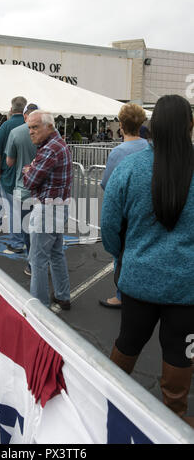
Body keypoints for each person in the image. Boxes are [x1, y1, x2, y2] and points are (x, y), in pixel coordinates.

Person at [101, 95, 194, 425]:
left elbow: (110, 225)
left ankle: (111, 406)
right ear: (190, 126)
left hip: (138, 281)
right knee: (180, 355)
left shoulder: (128, 168)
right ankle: (174, 420)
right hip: (188, 289)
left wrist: (122, 257)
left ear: (149, 127)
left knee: (127, 342)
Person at [99, 103, 148, 309]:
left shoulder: (119, 152)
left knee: (121, 254)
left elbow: (107, 185)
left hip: (125, 212)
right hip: (146, 209)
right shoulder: (149, 147)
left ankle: (121, 294)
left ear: (121, 125)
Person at [23, 110, 73, 311]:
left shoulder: (49, 149)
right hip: (59, 207)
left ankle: (39, 309)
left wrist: (29, 170)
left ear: (49, 127)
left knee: (38, 261)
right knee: (56, 254)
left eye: (35, 127)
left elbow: (30, 181)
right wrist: (32, 169)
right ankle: (62, 296)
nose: (31, 132)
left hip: (47, 210)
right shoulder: (58, 144)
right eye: (30, 128)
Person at [5, 103, 39, 273]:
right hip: (42, 189)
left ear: (25, 115)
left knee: (27, 228)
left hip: (23, 187)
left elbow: (9, 162)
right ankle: (39, 261)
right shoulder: (46, 131)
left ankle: (32, 263)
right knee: (42, 228)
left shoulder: (16, 132)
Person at [0, 96, 27, 246]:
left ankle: (17, 242)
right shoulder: (31, 125)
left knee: (13, 210)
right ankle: (28, 240)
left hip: (10, 175)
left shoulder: (6, 126)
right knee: (28, 209)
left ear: (11, 109)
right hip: (30, 175)